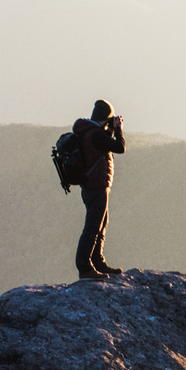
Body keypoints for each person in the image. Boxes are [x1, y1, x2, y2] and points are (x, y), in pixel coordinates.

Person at [73, 99, 126, 280]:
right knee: (93, 228)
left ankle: (98, 262)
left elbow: (104, 145)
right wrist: (118, 129)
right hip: (97, 187)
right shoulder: (95, 134)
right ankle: (85, 267)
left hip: (91, 187)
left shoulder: (88, 131)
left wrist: (109, 129)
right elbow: (119, 147)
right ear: (105, 117)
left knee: (100, 225)